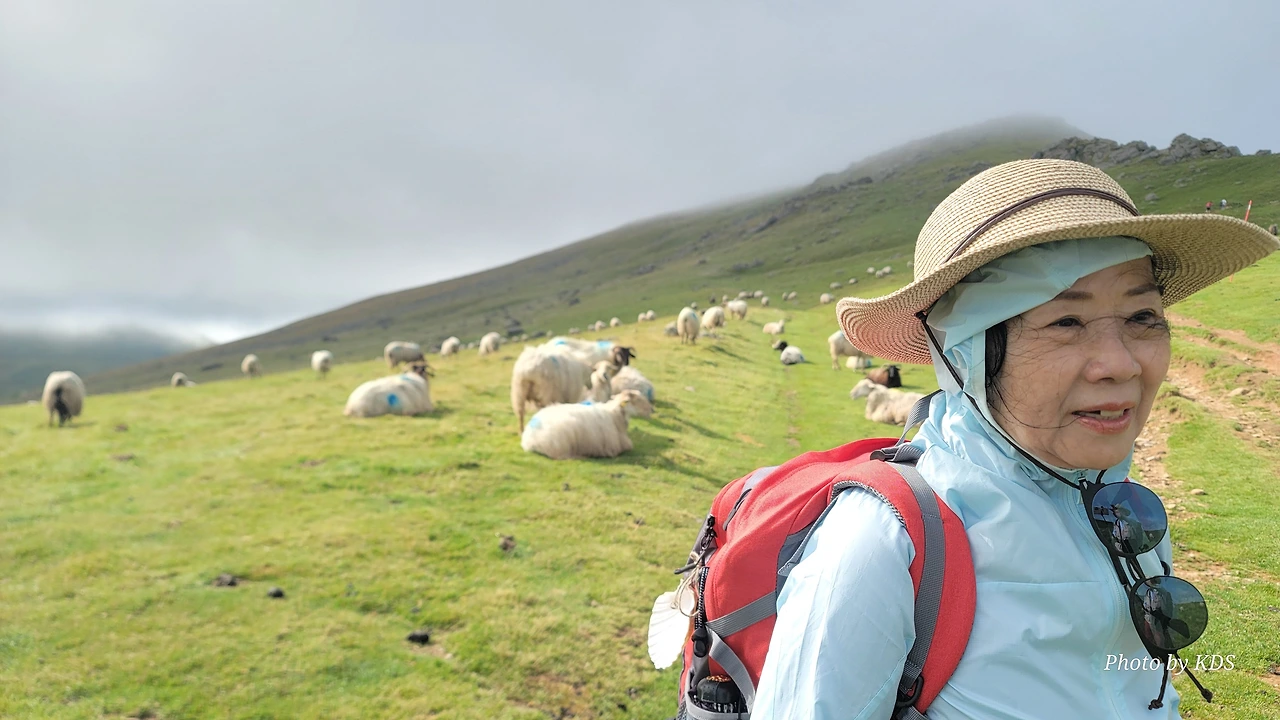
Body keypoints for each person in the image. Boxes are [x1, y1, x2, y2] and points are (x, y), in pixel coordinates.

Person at [752, 159, 1278, 719]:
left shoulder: (1123, 512)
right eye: (1066, 323)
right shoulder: (882, 545)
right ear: (968, 355)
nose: (1122, 364)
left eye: (1143, 316)